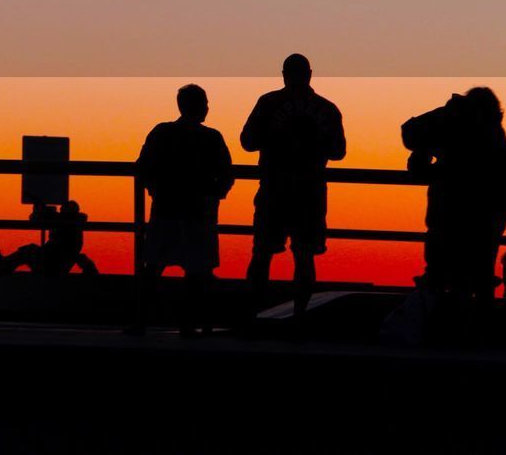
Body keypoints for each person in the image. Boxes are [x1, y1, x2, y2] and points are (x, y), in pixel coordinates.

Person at [402, 88, 506, 333]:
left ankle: (438, 330)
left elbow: (411, 134)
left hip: (448, 219)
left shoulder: (453, 126)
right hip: (482, 222)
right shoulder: (495, 140)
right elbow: (504, 189)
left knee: (442, 275)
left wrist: (423, 161)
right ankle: (475, 334)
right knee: (478, 275)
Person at [241, 54, 345, 318]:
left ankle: (253, 316)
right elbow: (338, 152)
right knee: (304, 257)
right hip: (310, 194)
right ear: (310, 74)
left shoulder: (268, 103)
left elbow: (248, 142)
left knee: (262, 254)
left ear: (283, 74)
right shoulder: (327, 108)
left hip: (273, 191)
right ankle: (299, 317)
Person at [130, 84, 234, 337]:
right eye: (205, 103)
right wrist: (215, 196)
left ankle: (141, 321)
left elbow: (142, 168)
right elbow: (227, 174)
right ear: (198, 106)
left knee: (153, 266)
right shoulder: (212, 138)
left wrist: (155, 191)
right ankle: (191, 324)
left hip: (165, 210)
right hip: (199, 213)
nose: (208, 107)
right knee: (198, 271)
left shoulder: (161, 133)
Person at [0, 200, 99, 279]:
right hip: (55, 262)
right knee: (28, 251)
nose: (60, 212)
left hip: (51, 263)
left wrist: (41, 211)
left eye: (62, 210)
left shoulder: (65, 223)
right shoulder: (75, 226)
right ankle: (0, 264)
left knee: (27, 251)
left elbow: (34, 219)